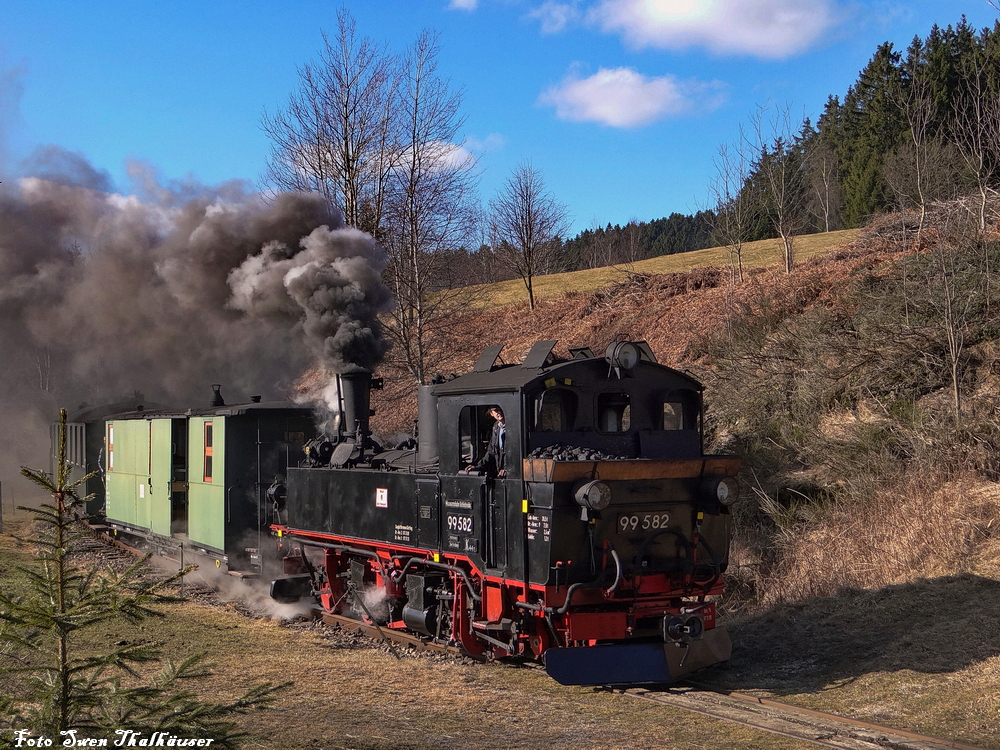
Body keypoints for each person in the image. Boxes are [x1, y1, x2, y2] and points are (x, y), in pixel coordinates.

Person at [465, 406, 506, 477]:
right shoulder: (496, 427)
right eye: (496, 411)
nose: (499, 412)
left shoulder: (512, 426)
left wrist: (508, 469)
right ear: (491, 413)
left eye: (500, 409)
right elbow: (491, 452)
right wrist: (478, 467)